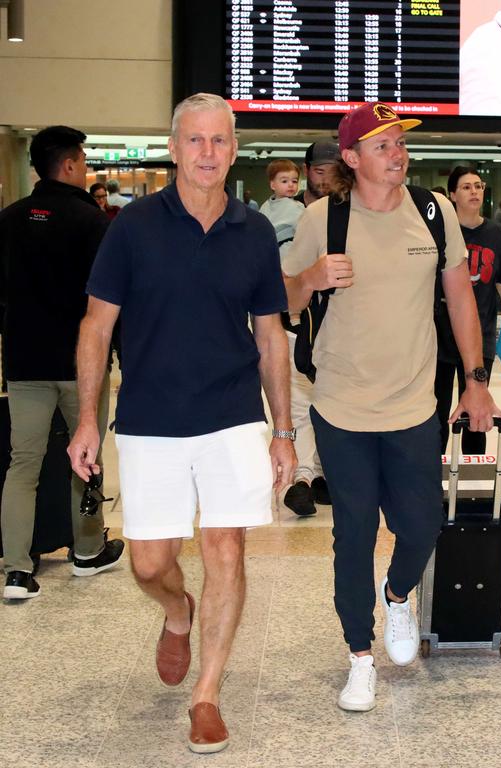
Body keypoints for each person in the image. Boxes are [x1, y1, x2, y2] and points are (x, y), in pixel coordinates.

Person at [67, 93, 297, 754]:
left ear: (233, 150)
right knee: (148, 563)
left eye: (219, 142)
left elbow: (271, 334)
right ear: (174, 149)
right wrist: (88, 419)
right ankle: (176, 610)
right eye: (194, 141)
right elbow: (96, 325)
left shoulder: (253, 231)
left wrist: (282, 428)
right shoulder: (133, 226)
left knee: (225, 546)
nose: (206, 154)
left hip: (230, 415)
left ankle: (207, 695)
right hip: (149, 417)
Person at [283, 102, 501, 712]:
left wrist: (476, 379)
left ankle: (399, 594)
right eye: (382, 146)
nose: (397, 154)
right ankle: (360, 656)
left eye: (400, 143)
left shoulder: (433, 215)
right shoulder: (320, 220)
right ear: (350, 159)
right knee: (352, 533)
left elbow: (461, 299)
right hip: (340, 406)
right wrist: (310, 279)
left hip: (414, 406)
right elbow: (278, 298)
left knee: (422, 526)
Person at [0, 126, 123, 600]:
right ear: (70, 165)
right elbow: (111, 296)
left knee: (22, 464)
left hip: (24, 361)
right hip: (80, 365)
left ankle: (15, 570)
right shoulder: (91, 221)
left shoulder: (8, 220)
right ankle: (88, 550)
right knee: (86, 459)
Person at [436, 166, 501, 454]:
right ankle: (432, 478)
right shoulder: (441, 232)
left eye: (478, 186)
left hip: (481, 337)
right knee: (437, 410)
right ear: (452, 194)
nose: (474, 191)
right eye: (466, 187)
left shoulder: (497, 233)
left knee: (477, 409)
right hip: (439, 336)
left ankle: (472, 480)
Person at [280, 145, 339, 517]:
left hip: (333, 327)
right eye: (319, 170)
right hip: (291, 323)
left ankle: (318, 472)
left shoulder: (346, 214)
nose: (326, 178)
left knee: (327, 403)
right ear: (306, 172)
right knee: (299, 405)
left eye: (332, 170)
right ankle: (300, 479)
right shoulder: (284, 215)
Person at [259, 159, 305, 257]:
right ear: (273, 185)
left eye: (294, 181)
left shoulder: (297, 207)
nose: (291, 185)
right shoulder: (265, 206)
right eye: (284, 181)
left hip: (287, 253)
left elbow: (307, 231)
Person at [294, 140, 339, 206]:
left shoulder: (347, 210)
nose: (326, 180)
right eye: (320, 172)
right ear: (305, 170)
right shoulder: (289, 210)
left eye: (332, 173)